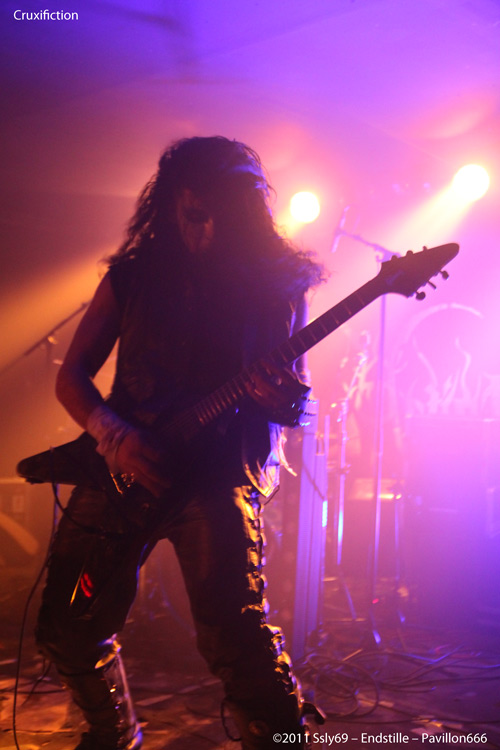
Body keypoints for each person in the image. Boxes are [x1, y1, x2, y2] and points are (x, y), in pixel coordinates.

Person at [35, 136, 325, 750]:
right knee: (68, 623)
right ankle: (113, 733)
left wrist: (284, 400)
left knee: (237, 639)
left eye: (222, 215)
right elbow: (71, 376)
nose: (207, 231)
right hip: (124, 466)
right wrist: (114, 435)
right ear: (170, 205)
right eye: (194, 214)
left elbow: (296, 401)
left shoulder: (277, 285)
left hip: (218, 477)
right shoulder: (133, 278)